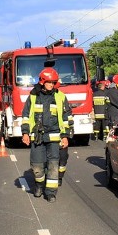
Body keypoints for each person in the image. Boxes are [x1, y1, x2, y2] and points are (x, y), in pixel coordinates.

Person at [21, 68, 72, 203]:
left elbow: (66, 117)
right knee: (37, 166)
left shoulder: (60, 96)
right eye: (49, 82)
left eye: (53, 82)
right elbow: (26, 116)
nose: (51, 85)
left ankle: (50, 193)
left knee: (53, 165)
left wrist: (65, 135)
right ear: (42, 82)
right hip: (37, 136)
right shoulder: (33, 96)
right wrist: (25, 133)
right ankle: (39, 185)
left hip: (55, 137)